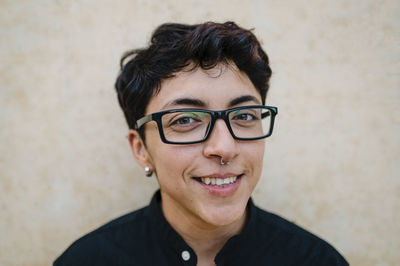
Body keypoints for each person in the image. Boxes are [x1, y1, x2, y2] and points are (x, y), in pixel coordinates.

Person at [54, 21, 348, 266]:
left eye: (244, 115)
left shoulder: (316, 261)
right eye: (185, 120)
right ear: (141, 149)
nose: (224, 147)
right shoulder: (86, 260)